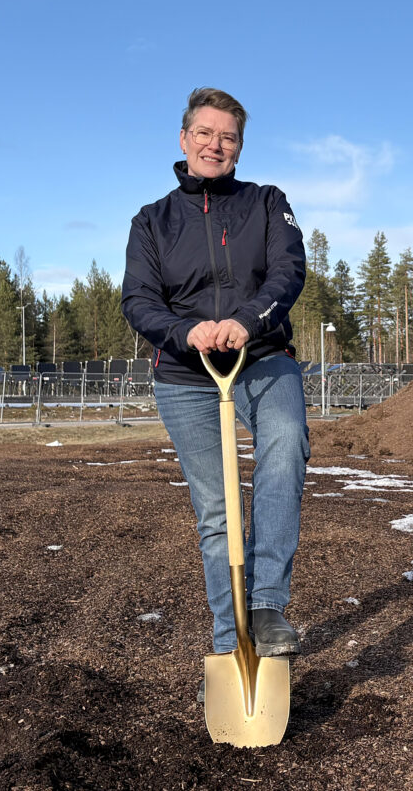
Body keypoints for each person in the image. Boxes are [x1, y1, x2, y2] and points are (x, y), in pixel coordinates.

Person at [121, 88, 309, 681]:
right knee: (217, 511)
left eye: (227, 137)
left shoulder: (267, 203)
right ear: (184, 140)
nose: (214, 145)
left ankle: (267, 606)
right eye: (204, 133)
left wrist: (247, 321)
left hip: (262, 356)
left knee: (286, 442)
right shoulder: (151, 221)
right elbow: (138, 301)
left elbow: (288, 272)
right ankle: (231, 646)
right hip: (187, 372)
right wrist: (186, 331)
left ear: (240, 147)